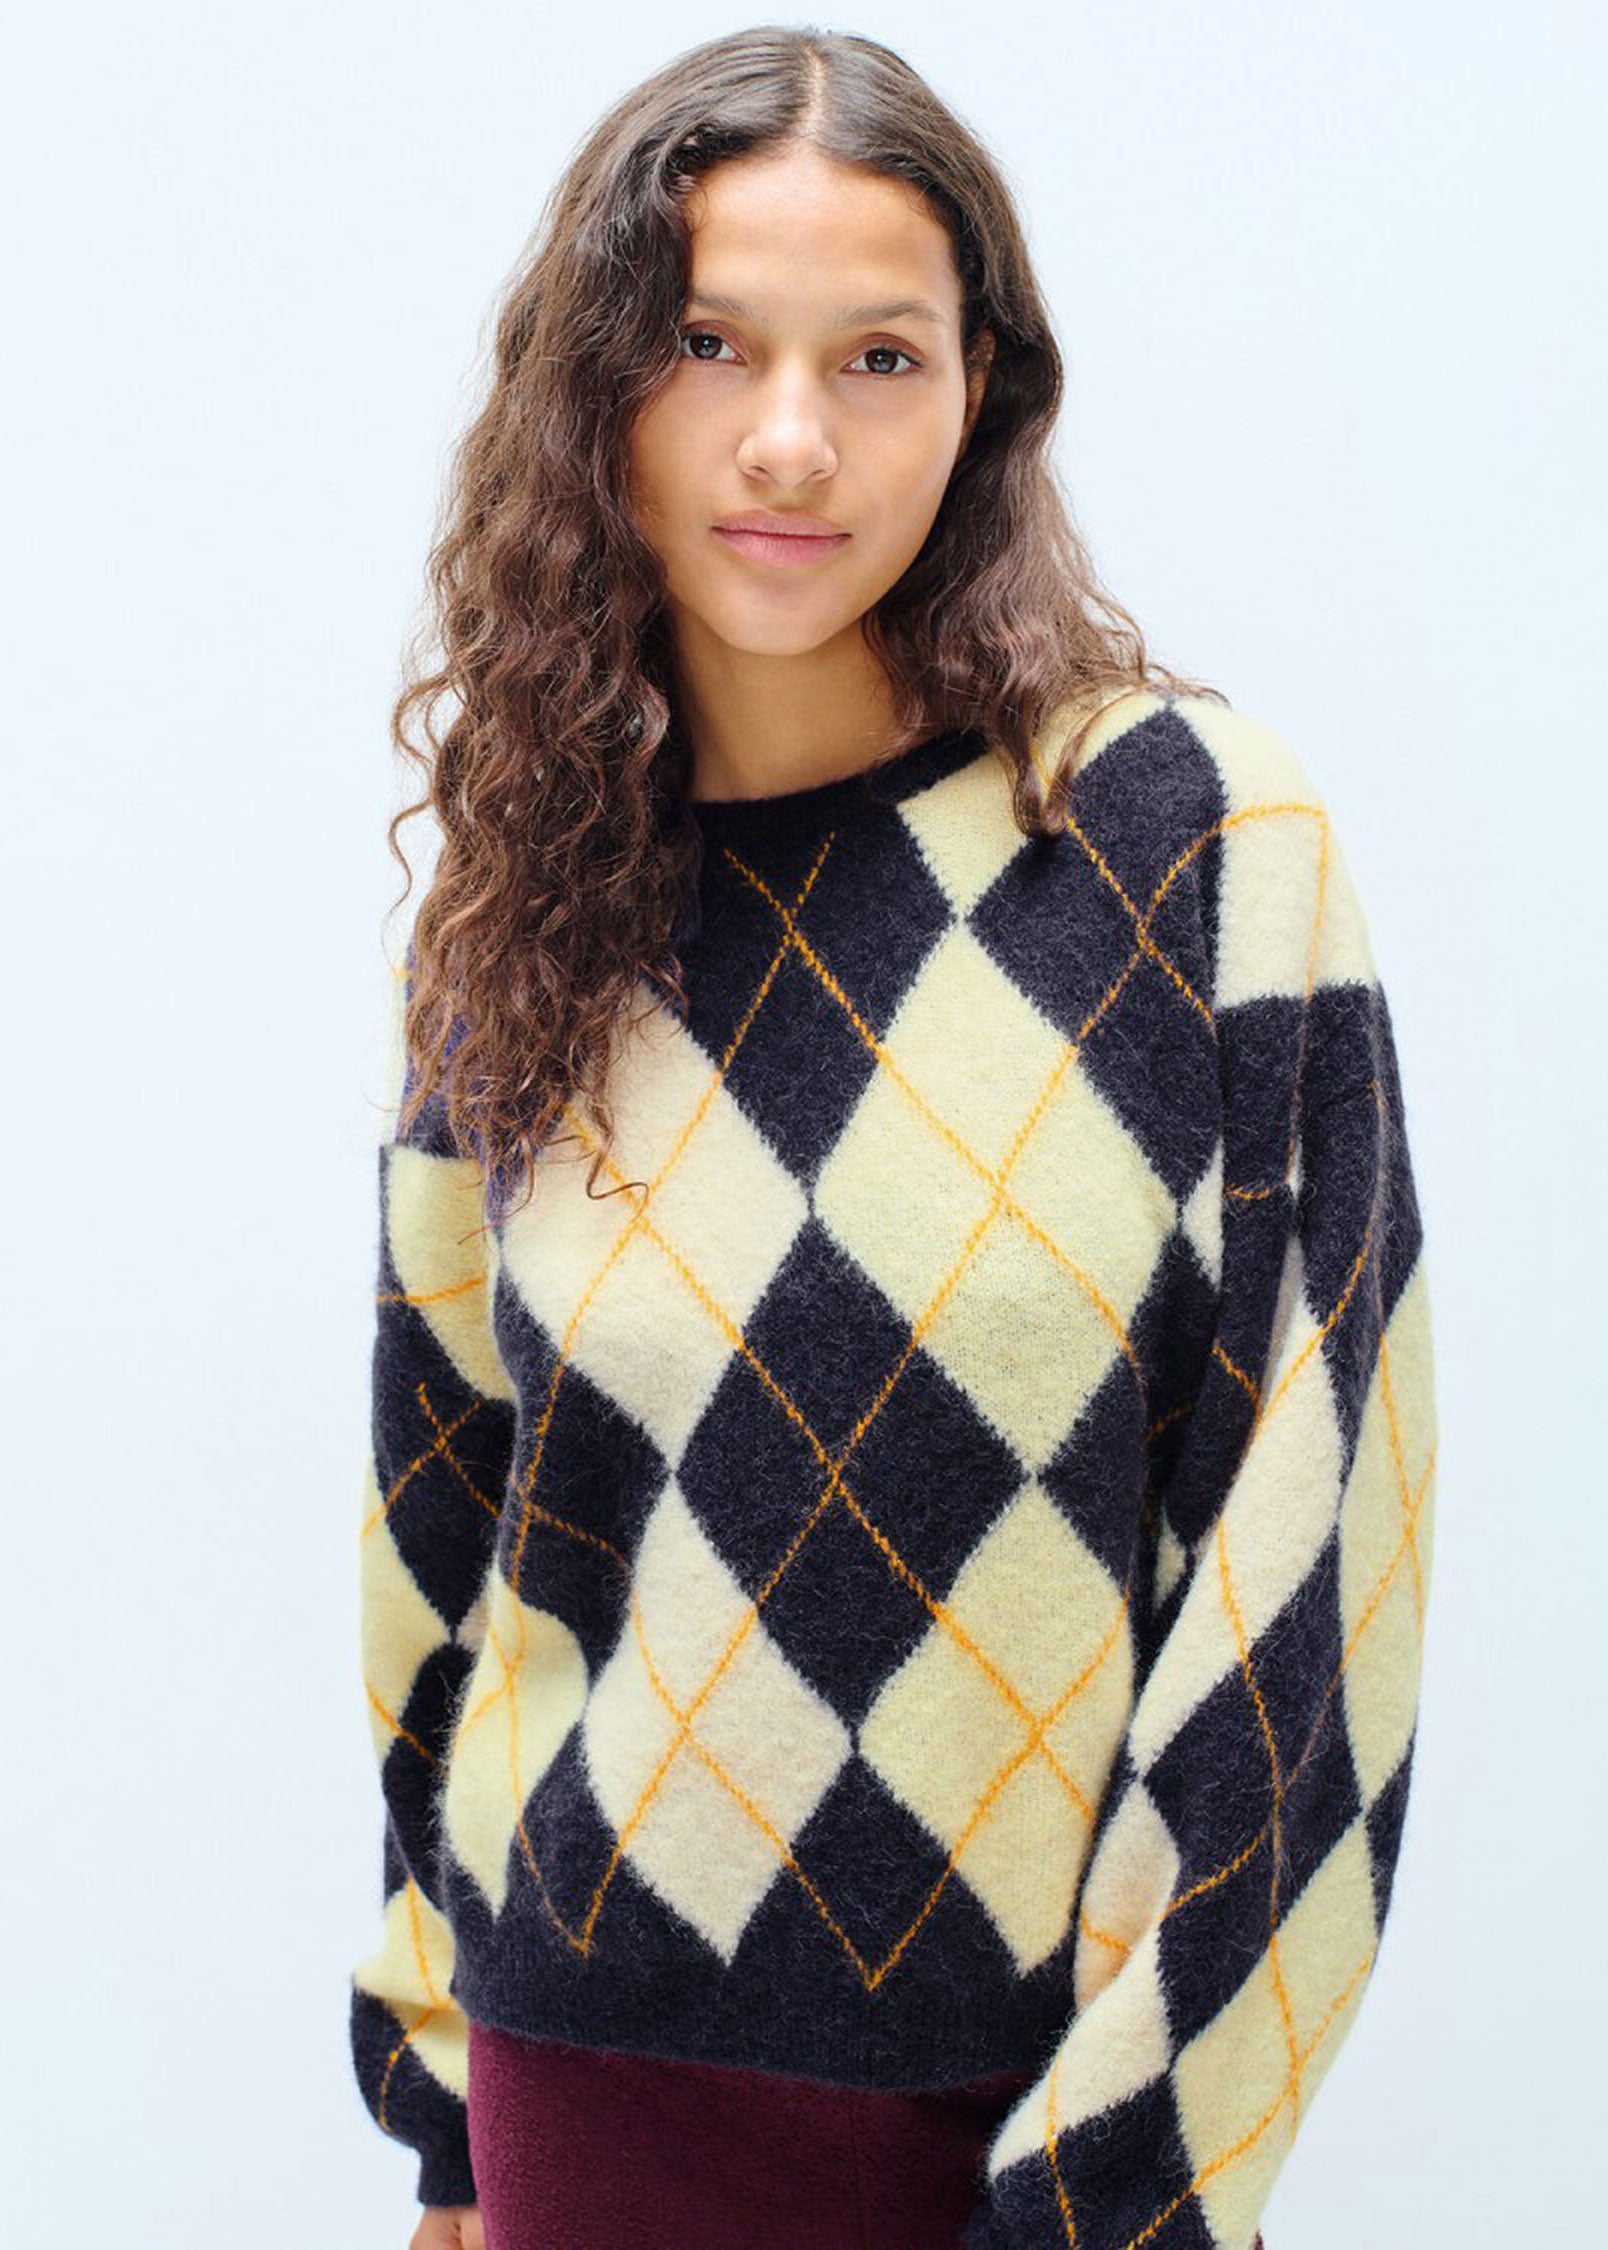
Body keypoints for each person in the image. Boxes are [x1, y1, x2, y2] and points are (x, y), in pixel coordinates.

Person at [347, 25, 1437, 2250]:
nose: (789, 436)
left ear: (980, 395)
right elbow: (446, 1546)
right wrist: (443, 2115)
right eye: (707, 343)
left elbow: (1320, 1574)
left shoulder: (1192, 851)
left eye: (878, 356)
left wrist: (1119, 2187)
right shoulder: (522, 925)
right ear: (593, 389)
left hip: (1035, 2135)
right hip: (585, 2108)